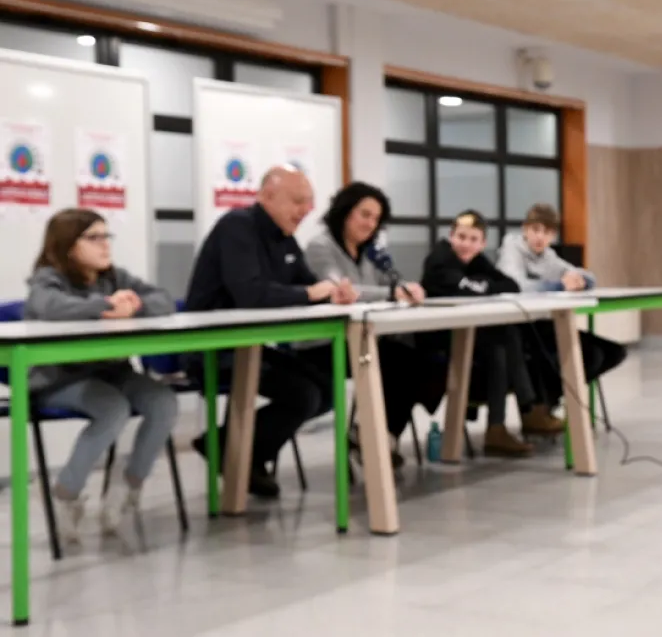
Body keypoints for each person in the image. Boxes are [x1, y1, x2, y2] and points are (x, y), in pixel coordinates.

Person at [185, 165, 357, 498]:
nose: (305, 210)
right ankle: (239, 454)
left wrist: (335, 293)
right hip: (212, 347)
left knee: (326, 387)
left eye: (309, 202)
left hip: (251, 344)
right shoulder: (237, 227)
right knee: (303, 394)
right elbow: (251, 295)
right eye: (297, 201)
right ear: (266, 196)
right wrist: (312, 293)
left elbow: (309, 285)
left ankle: (229, 448)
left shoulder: (285, 237)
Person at [25, 208, 178, 542]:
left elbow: (163, 299)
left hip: (111, 371)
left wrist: (135, 306)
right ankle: (66, 494)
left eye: (107, 236)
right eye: (94, 238)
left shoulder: (114, 276)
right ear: (67, 246)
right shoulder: (48, 278)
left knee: (163, 402)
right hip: (58, 379)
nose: (105, 245)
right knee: (112, 409)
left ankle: (128, 487)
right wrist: (106, 306)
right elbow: (50, 307)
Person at [303, 181, 448, 469]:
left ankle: (382, 435)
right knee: (398, 362)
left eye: (376, 219)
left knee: (426, 359)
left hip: (363, 340)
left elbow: (391, 284)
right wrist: (393, 293)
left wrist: (409, 289)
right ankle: (371, 437)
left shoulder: (372, 253)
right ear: (344, 212)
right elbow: (341, 290)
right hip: (323, 344)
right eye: (364, 214)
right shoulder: (321, 247)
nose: (370, 223)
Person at [420, 209, 563, 457]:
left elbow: (510, 285)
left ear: (482, 243)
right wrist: (484, 286)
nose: (466, 244)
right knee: (502, 338)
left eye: (473, 239)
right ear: (451, 236)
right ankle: (526, 407)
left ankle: (503, 425)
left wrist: (484, 285)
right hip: (436, 338)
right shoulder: (440, 258)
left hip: (469, 333)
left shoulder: (477, 260)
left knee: (509, 335)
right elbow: (465, 289)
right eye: (461, 237)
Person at [496, 203, 627, 403]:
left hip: (545, 324)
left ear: (553, 235)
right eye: (535, 230)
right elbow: (515, 285)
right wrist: (559, 285)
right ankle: (546, 405)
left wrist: (582, 281)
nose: (540, 237)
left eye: (547, 232)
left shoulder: (548, 256)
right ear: (525, 229)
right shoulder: (511, 247)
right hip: (517, 329)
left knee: (612, 352)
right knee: (589, 356)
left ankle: (552, 398)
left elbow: (586, 275)